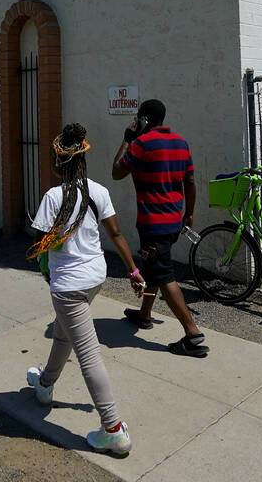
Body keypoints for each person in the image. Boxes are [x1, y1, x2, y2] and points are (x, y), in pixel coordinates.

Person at [26, 122, 146, 457]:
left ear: (58, 161)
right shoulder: (100, 192)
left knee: (88, 354)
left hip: (67, 286)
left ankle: (113, 429)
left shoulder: (53, 197)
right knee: (64, 334)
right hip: (95, 280)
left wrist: (51, 249)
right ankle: (45, 383)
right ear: (83, 159)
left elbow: (39, 244)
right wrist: (133, 271)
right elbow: (117, 235)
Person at [111, 98, 209, 358]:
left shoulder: (141, 144)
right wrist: (189, 213)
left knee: (164, 274)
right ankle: (144, 314)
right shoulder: (181, 143)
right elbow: (190, 182)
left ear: (143, 119)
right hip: (174, 222)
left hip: (152, 223)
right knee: (154, 267)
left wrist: (127, 139)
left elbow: (116, 172)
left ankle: (192, 334)